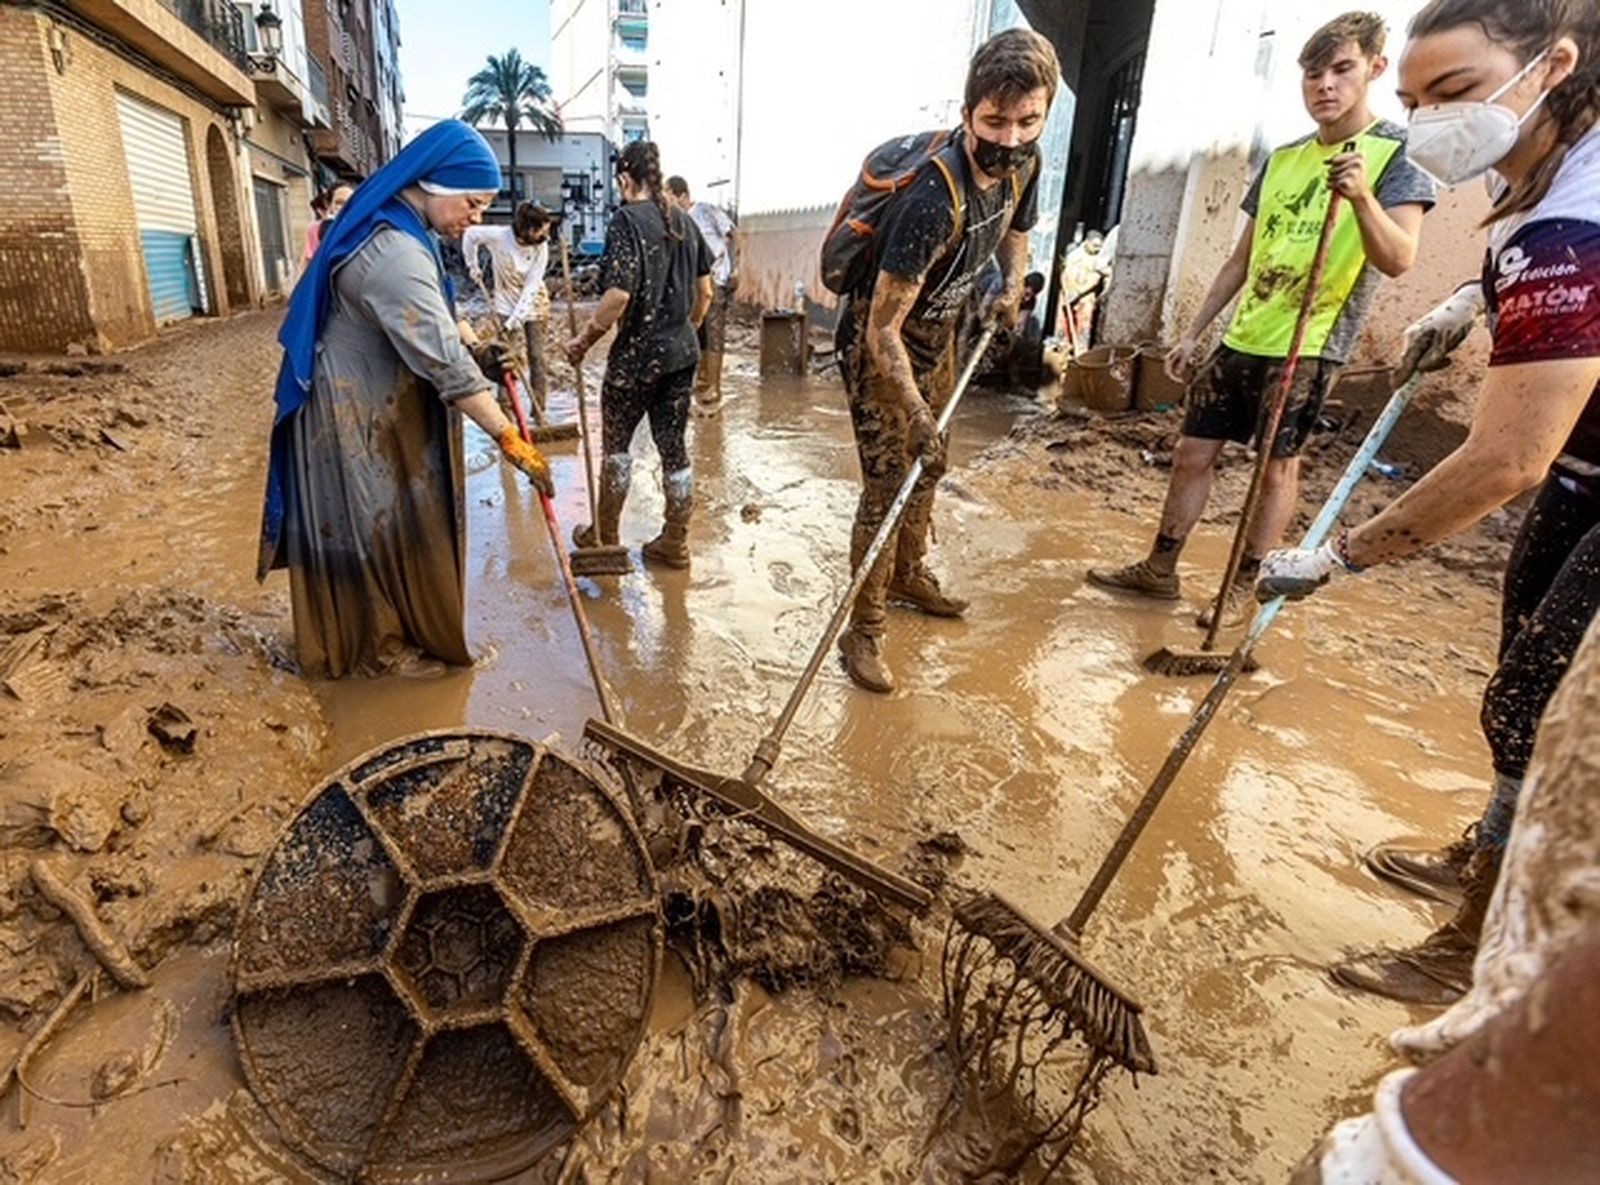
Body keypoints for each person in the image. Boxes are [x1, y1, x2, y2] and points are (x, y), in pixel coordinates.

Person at [1257, 0, 1600, 1005]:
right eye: (1411, 100)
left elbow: (1503, 460)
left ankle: (1485, 951)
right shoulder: (1534, 166)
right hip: (1588, 469)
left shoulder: (1581, 219)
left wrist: (1342, 555)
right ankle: (1485, 854)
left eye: (1450, 92)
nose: (1426, 120)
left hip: (1571, 462)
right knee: (1519, 678)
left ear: (1551, 67)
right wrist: (1470, 301)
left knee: (1550, 712)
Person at [1087, 12, 1434, 628]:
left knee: (1275, 468)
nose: (1324, 85)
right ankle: (1159, 568)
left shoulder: (1396, 154)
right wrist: (1195, 331)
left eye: (1341, 70)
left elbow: (1400, 257)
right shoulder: (1284, 158)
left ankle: (1241, 591)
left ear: (1375, 69)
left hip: (1311, 340)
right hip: (1245, 334)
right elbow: (1242, 259)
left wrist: (1361, 199)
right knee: (1193, 451)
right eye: (1312, 74)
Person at [258, 120, 555, 678]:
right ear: (437, 184)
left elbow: (441, 325)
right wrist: (512, 440)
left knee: (381, 520)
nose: (476, 218)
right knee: (368, 526)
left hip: (366, 399)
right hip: (347, 413)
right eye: (472, 202)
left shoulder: (402, 227)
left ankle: (381, 644)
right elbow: (446, 366)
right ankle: (374, 658)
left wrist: (483, 353)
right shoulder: (393, 251)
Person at [832, 29, 1056, 694]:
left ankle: (908, 574)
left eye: (1027, 122)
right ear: (967, 115)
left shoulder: (1028, 162)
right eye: (994, 121)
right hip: (880, 345)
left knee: (932, 463)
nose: (1009, 140)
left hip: (941, 333)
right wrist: (915, 408)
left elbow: (1017, 230)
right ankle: (863, 630)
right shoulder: (932, 203)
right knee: (887, 484)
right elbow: (881, 328)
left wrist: (1011, 289)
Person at [566, 140, 712, 570]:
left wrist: (583, 341)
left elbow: (618, 297)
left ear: (626, 178)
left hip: (635, 359)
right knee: (674, 448)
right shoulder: (685, 222)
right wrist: (689, 328)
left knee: (616, 447)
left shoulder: (626, 220)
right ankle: (675, 541)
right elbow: (705, 293)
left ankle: (606, 538)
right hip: (682, 355)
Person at [463, 201, 555, 416]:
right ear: (528, 228)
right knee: (503, 359)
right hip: (504, 304)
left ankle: (539, 411)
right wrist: (472, 265)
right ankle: (505, 410)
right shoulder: (499, 236)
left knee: (536, 356)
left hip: (534, 304)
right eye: (542, 229)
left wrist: (517, 318)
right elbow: (470, 235)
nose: (546, 234)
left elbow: (532, 285)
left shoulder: (541, 247)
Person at [666, 176, 738, 411]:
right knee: (697, 333)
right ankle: (702, 384)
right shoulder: (677, 221)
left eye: (670, 196)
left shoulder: (705, 211)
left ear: (683, 196)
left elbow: (733, 234)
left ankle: (713, 387)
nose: (667, 201)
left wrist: (736, 268)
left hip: (715, 279)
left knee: (713, 331)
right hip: (693, 284)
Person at [1059, 232, 1106, 353]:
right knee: (1064, 325)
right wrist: (1069, 292)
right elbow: (1065, 274)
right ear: (1087, 242)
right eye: (1095, 245)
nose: (1098, 249)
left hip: (1086, 298)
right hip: (1068, 294)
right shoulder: (1073, 255)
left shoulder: (1099, 259)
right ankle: (1063, 349)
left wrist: (1079, 292)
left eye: (1100, 246)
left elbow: (1095, 280)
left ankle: (1080, 352)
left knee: (1083, 327)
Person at [301, 180, 354, 267]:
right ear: (328, 204)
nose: (344, 207)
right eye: (339, 202)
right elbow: (307, 262)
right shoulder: (316, 228)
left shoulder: (362, 225)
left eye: (349, 202)